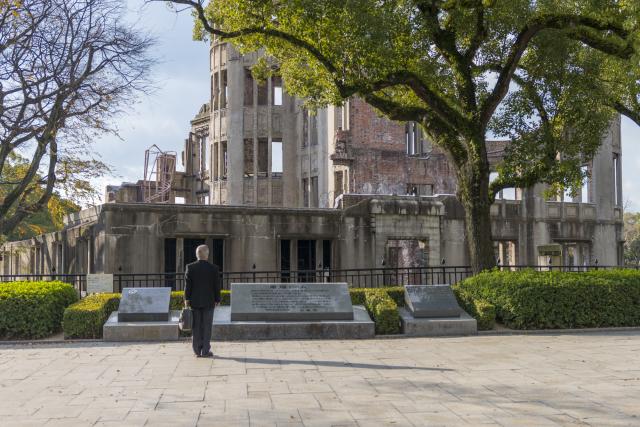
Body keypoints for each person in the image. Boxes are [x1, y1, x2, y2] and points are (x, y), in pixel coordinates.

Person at [184, 244, 221, 358]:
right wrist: (217, 299)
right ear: (207, 254)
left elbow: (187, 286)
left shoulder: (190, 267)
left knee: (196, 326)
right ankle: (205, 351)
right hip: (209, 301)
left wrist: (186, 299)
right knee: (207, 326)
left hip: (194, 302)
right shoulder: (214, 268)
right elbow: (216, 286)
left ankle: (196, 350)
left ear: (197, 254)